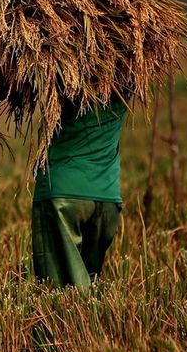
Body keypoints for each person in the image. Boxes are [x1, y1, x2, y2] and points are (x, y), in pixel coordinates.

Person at [31, 99, 128, 288]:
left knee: (58, 292)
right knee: (89, 285)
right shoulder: (129, 77)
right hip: (107, 196)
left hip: (62, 195)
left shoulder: (58, 75)